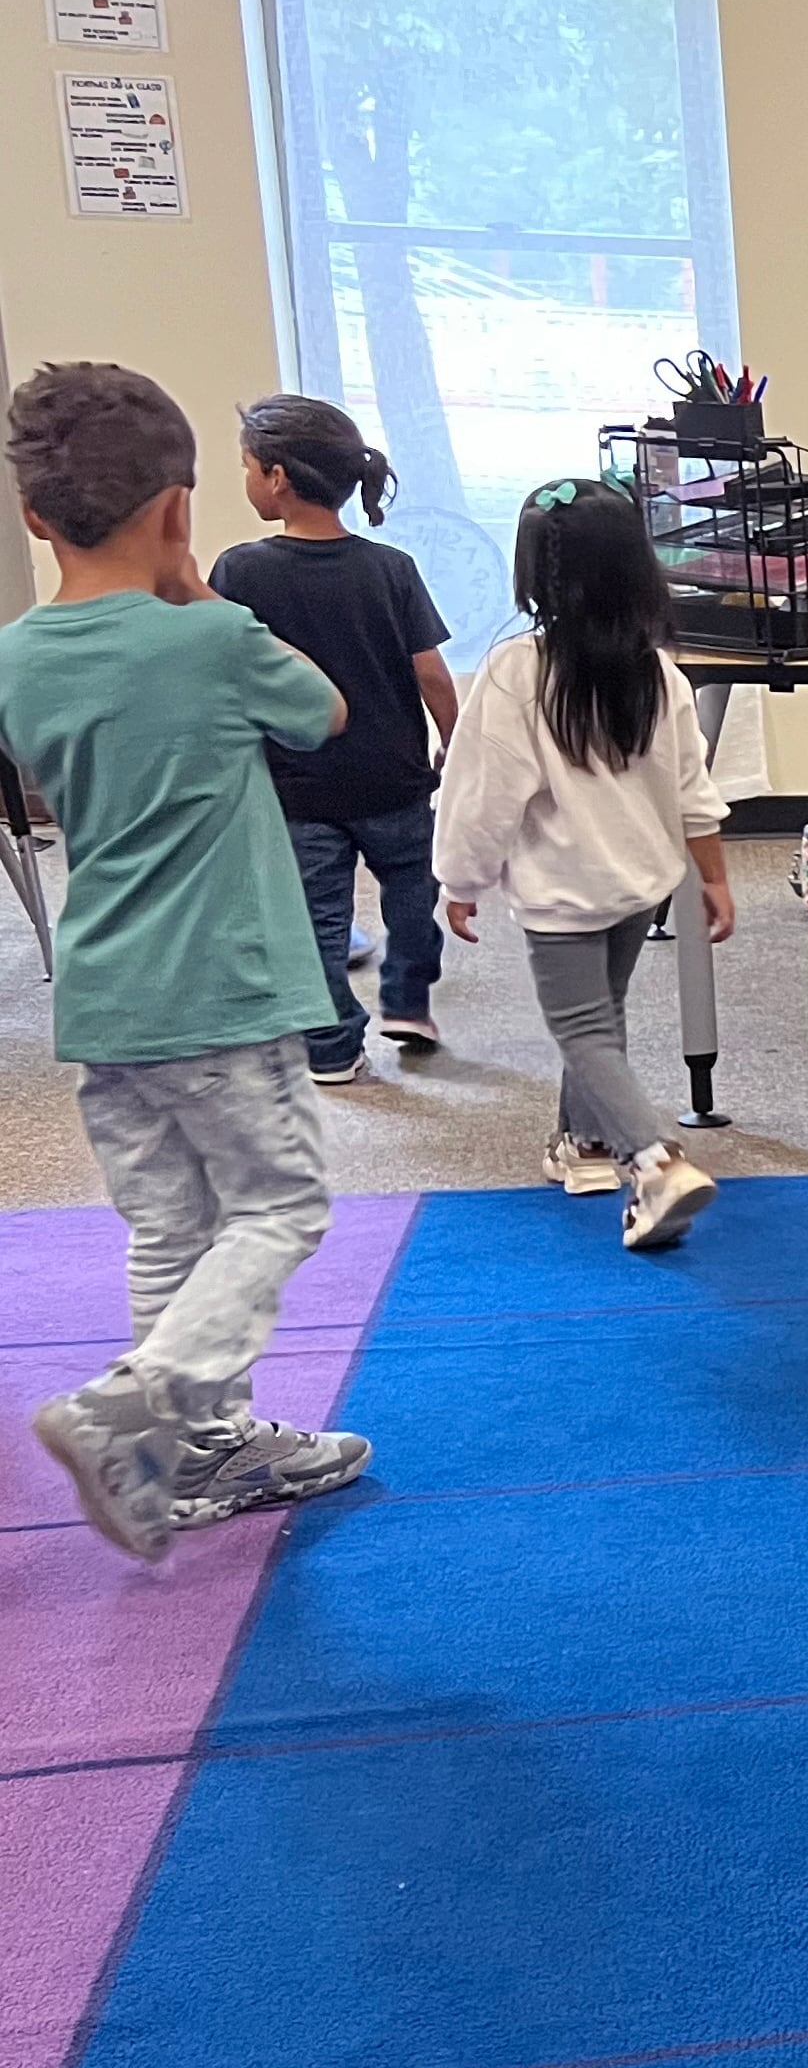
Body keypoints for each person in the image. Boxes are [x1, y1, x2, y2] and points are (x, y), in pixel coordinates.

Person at [1, 362, 373, 1553]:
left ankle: (200, 1451)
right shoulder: (212, 636)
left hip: (105, 995)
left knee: (170, 1221)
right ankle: (143, 1407)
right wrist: (198, 588)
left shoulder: (15, 658)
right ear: (178, 510)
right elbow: (323, 712)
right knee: (278, 1205)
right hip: (220, 988)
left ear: (32, 516)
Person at [430, 481, 729, 1253]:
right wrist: (715, 877)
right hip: (640, 885)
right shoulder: (657, 672)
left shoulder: (517, 670)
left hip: (565, 894)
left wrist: (459, 880)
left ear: (534, 572)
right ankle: (587, 1148)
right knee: (605, 1014)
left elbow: (484, 794)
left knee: (584, 1028)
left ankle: (653, 1159)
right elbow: (694, 789)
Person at [213, 394, 455, 1080]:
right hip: (395, 776)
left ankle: (330, 1048)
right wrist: (454, 744)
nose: (249, 479)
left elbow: (224, 672)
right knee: (413, 895)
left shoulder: (240, 570)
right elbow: (430, 674)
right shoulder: (390, 567)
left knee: (315, 923)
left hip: (298, 785)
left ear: (278, 476)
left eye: (248, 467)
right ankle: (408, 1000)